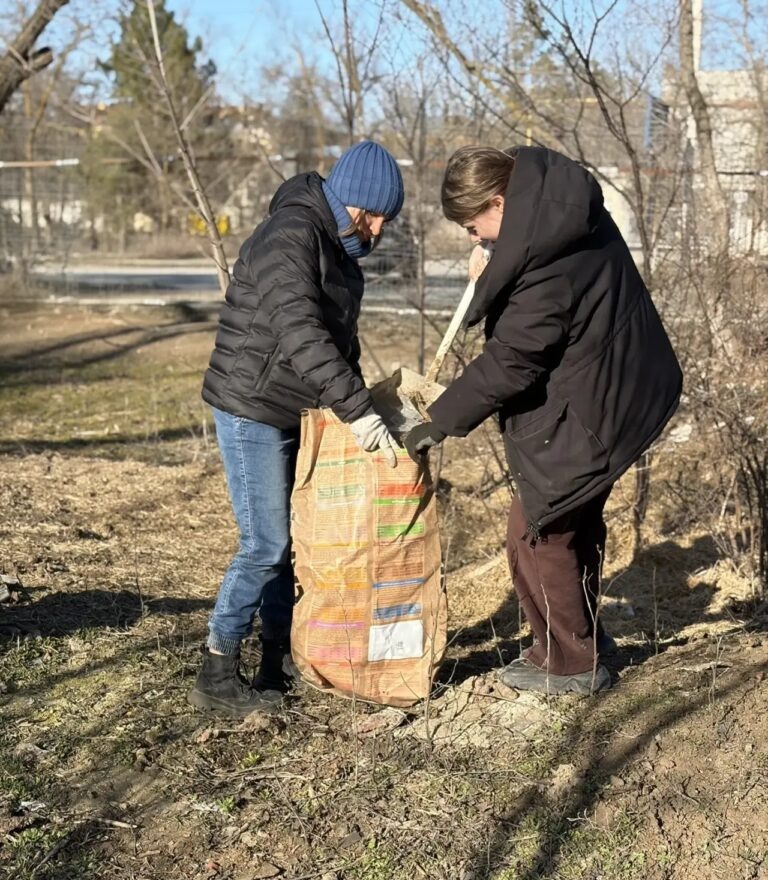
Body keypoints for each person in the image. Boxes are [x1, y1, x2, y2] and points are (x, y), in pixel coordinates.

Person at [404, 145, 682, 696]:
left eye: (471, 224)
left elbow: (514, 357)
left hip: (595, 403)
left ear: (499, 201)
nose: (472, 236)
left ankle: (571, 663)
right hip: (622, 386)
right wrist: (487, 277)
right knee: (570, 523)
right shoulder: (558, 209)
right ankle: (585, 642)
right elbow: (527, 308)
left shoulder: (546, 254)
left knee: (539, 532)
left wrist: (438, 421)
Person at [190, 141, 404, 716]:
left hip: (290, 406)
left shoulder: (335, 248)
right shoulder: (292, 235)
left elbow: (339, 346)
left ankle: (278, 655)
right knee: (265, 543)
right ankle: (216, 669)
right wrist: (356, 411)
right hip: (250, 406)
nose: (380, 229)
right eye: (376, 214)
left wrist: (369, 406)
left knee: (291, 543)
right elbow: (301, 335)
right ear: (354, 202)